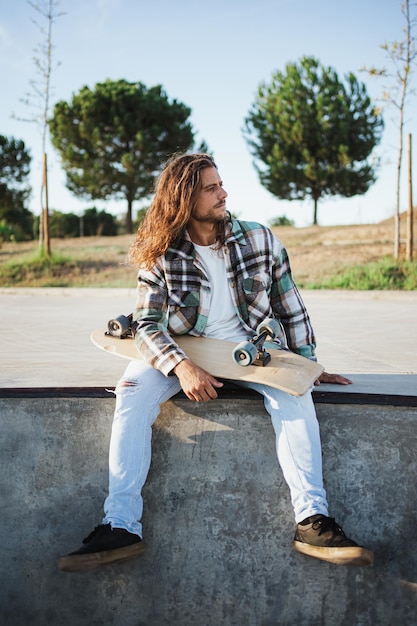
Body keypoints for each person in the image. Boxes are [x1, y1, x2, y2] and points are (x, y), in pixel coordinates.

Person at [59, 153, 373, 573]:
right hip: (183, 347)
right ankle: (120, 526)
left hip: (251, 347)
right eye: (211, 188)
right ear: (184, 198)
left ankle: (312, 520)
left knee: (295, 398)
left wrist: (308, 368)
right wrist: (180, 367)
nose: (224, 193)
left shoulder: (259, 239)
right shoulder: (161, 253)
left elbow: (290, 307)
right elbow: (147, 324)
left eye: (220, 184)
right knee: (131, 393)